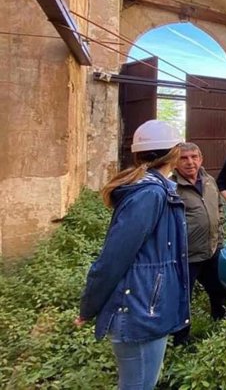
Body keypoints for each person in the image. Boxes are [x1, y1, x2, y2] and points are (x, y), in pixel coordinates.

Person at [75, 120, 188, 390]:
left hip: (146, 307)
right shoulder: (149, 194)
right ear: (174, 154)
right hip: (139, 311)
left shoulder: (156, 189)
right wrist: (89, 307)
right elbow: (113, 259)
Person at [171, 143, 226, 345]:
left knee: (219, 290)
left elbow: (219, 208)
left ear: (201, 159)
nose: (190, 162)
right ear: (175, 162)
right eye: (184, 158)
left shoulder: (209, 181)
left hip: (212, 250)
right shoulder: (171, 187)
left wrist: (219, 237)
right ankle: (181, 341)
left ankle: (220, 325)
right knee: (182, 298)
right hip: (186, 255)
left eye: (194, 157)